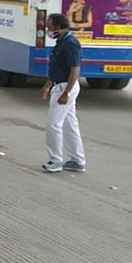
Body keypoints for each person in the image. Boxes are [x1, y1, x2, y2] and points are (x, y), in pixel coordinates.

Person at [38, 13, 85, 173]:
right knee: (70, 124)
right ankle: (78, 160)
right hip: (60, 85)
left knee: (53, 124)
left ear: (58, 27)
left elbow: (74, 70)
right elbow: (58, 68)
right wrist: (48, 85)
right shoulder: (61, 42)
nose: (48, 30)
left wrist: (66, 93)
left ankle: (56, 160)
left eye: (50, 27)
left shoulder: (71, 44)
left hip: (66, 88)